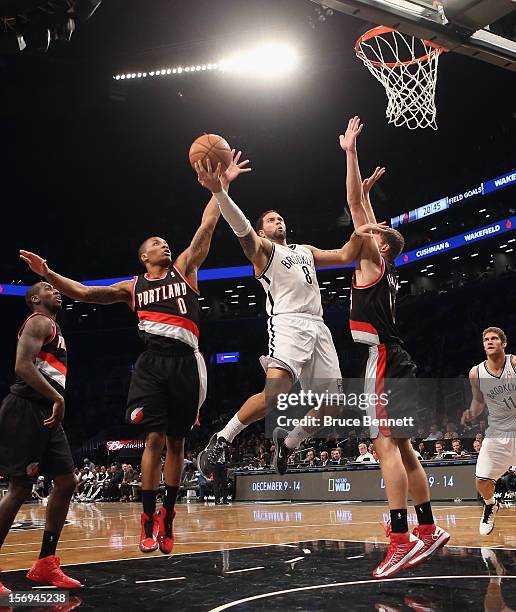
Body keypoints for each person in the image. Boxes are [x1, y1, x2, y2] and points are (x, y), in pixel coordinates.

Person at [20, 152, 250, 555]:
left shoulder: (185, 269)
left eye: (165, 242)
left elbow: (207, 225)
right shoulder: (133, 287)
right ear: (144, 257)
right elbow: (87, 293)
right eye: (156, 243)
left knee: (178, 444)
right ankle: (146, 518)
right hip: (152, 363)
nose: (165, 245)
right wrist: (49, 274)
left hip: (187, 363)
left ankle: (169, 515)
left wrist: (222, 184)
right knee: (154, 439)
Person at [194, 159, 384, 477]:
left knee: (334, 405)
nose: (278, 222)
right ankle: (222, 439)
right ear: (261, 230)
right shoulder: (262, 251)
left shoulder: (304, 250)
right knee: (274, 395)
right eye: (271, 220)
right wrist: (222, 193)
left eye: (280, 218)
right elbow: (241, 229)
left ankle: (290, 442)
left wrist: (360, 226)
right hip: (288, 323)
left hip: (318, 327)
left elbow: (345, 255)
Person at [339, 116, 449, 578]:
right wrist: (364, 194)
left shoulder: (372, 256)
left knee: (386, 447)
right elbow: (359, 206)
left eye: (375, 229)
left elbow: (353, 205)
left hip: (382, 359)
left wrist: (349, 153)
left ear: (381, 246)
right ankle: (427, 529)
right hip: (394, 356)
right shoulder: (385, 268)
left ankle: (400, 539)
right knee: (403, 449)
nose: (369, 228)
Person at [0, 283, 81, 594]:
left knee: (67, 481)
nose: (56, 291)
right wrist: (57, 399)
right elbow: (21, 366)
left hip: (45, 411)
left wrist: (54, 400)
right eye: (48, 288)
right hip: (26, 407)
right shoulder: (38, 321)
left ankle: (45, 562)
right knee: (20, 488)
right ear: (35, 299)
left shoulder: (54, 327)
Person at [462, 326, 516, 535]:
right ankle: (490, 504)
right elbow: (478, 401)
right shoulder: (476, 373)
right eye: (486, 339)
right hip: (497, 434)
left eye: (494, 338)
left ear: (504, 343)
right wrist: (471, 413)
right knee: (482, 481)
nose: (490, 342)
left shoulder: (513, 363)